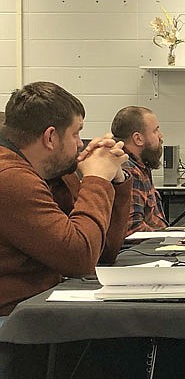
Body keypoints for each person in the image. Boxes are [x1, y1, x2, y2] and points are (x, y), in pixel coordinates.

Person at [0, 81, 131, 316]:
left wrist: (115, 178)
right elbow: (80, 258)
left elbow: (104, 252)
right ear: (50, 137)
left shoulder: (49, 175)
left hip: (35, 309)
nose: (81, 144)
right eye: (76, 133)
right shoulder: (10, 178)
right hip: (13, 322)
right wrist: (96, 179)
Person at [111, 106, 168, 236]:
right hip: (143, 251)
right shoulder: (128, 170)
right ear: (138, 138)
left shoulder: (140, 166)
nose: (160, 136)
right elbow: (133, 231)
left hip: (153, 247)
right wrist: (168, 239)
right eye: (155, 131)